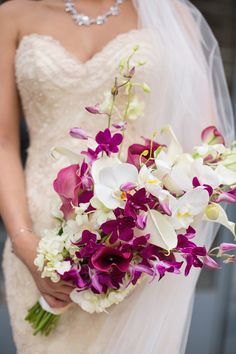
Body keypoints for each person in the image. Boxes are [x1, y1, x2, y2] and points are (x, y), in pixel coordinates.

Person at [0, 0, 234, 353]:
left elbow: (206, 147)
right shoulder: (12, 15)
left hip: (137, 240)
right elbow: (2, 142)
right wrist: (23, 242)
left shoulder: (169, 13)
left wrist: (153, 223)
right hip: (38, 241)